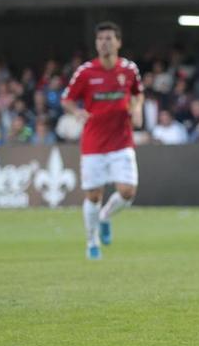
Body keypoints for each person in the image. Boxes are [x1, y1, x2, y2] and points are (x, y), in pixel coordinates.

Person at [61, 22, 144, 260]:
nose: (104, 42)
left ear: (118, 42)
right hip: (94, 144)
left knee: (127, 192)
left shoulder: (129, 70)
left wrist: (137, 109)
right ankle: (91, 242)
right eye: (100, 39)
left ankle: (105, 216)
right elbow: (67, 99)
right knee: (93, 195)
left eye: (109, 38)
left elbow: (138, 93)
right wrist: (76, 112)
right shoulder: (85, 72)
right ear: (96, 44)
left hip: (121, 141)